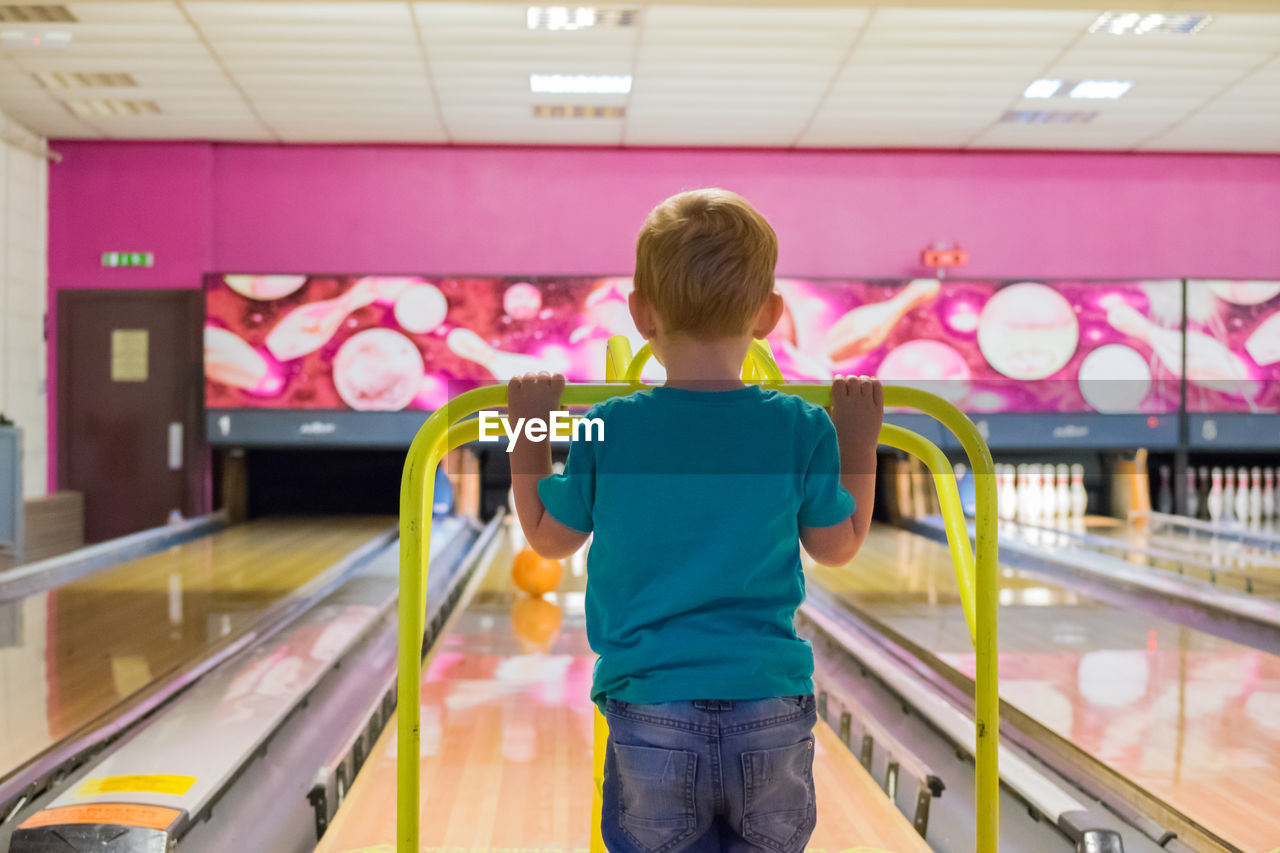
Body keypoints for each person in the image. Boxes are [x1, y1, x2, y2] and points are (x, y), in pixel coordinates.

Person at [507, 188, 882, 852]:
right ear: (768, 314)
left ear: (641, 314)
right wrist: (858, 442)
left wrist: (527, 428)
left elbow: (546, 532)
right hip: (768, 702)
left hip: (651, 704)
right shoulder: (802, 426)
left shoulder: (608, 426)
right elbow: (838, 544)